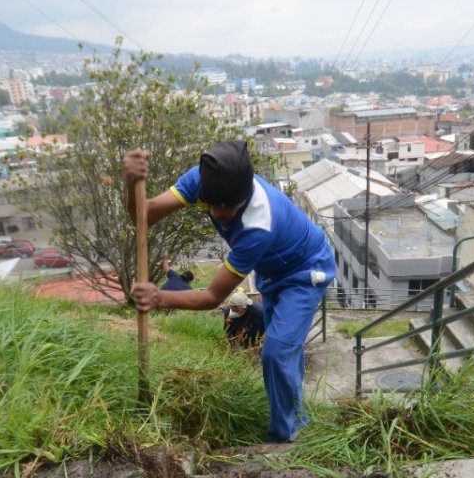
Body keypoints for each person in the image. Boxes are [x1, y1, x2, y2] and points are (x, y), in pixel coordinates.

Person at [124, 140, 336, 443]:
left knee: (276, 352)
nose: (217, 214)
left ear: (244, 196)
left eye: (227, 208)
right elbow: (142, 217)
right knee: (285, 350)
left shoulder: (257, 226)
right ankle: (298, 417)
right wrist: (131, 182)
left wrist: (158, 298)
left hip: (305, 271)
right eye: (211, 205)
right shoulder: (204, 179)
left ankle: (283, 439)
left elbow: (212, 297)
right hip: (272, 269)